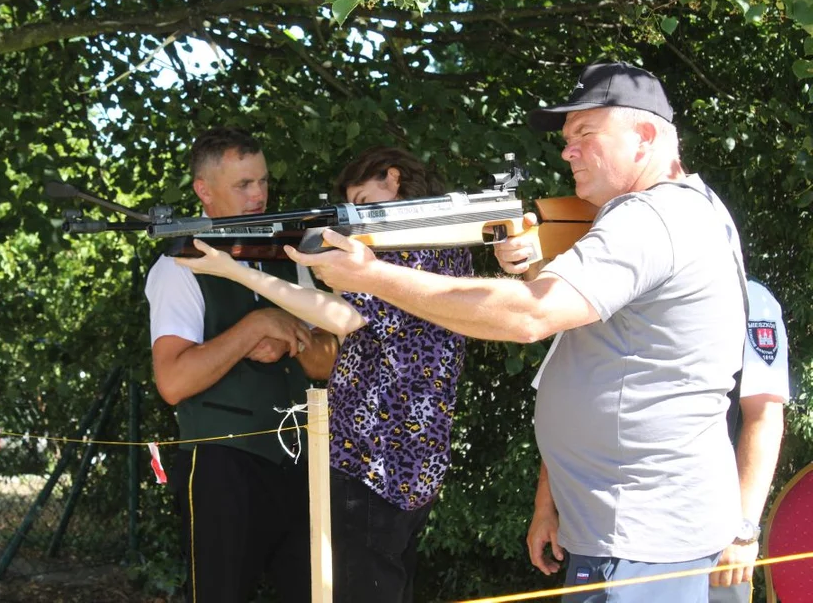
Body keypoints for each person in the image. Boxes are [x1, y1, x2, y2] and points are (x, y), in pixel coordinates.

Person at [285, 62, 748, 602]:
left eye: (585, 134)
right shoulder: (681, 210)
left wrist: (370, 276)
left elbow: (531, 316)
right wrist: (551, 502)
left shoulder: (650, 218)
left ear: (644, 136)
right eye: (567, 138)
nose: (567, 150)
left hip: (644, 537)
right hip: (627, 525)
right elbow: (599, 357)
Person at [176, 146, 473, 603]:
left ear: (394, 180)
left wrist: (237, 272)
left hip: (375, 462)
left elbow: (342, 317)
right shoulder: (442, 243)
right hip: (409, 462)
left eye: (365, 202)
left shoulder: (409, 250)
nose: (360, 221)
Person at [144, 127, 338, 603]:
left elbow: (328, 361)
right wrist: (255, 327)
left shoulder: (290, 256)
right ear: (203, 191)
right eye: (243, 185)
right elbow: (172, 381)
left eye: (263, 182)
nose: (259, 196)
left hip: (303, 460)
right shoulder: (179, 266)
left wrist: (287, 338)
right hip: (222, 466)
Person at [709, 278, 791, 602]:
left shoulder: (747, 297)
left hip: (712, 535)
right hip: (622, 527)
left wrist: (742, 531)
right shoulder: (627, 283)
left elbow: (765, 416)